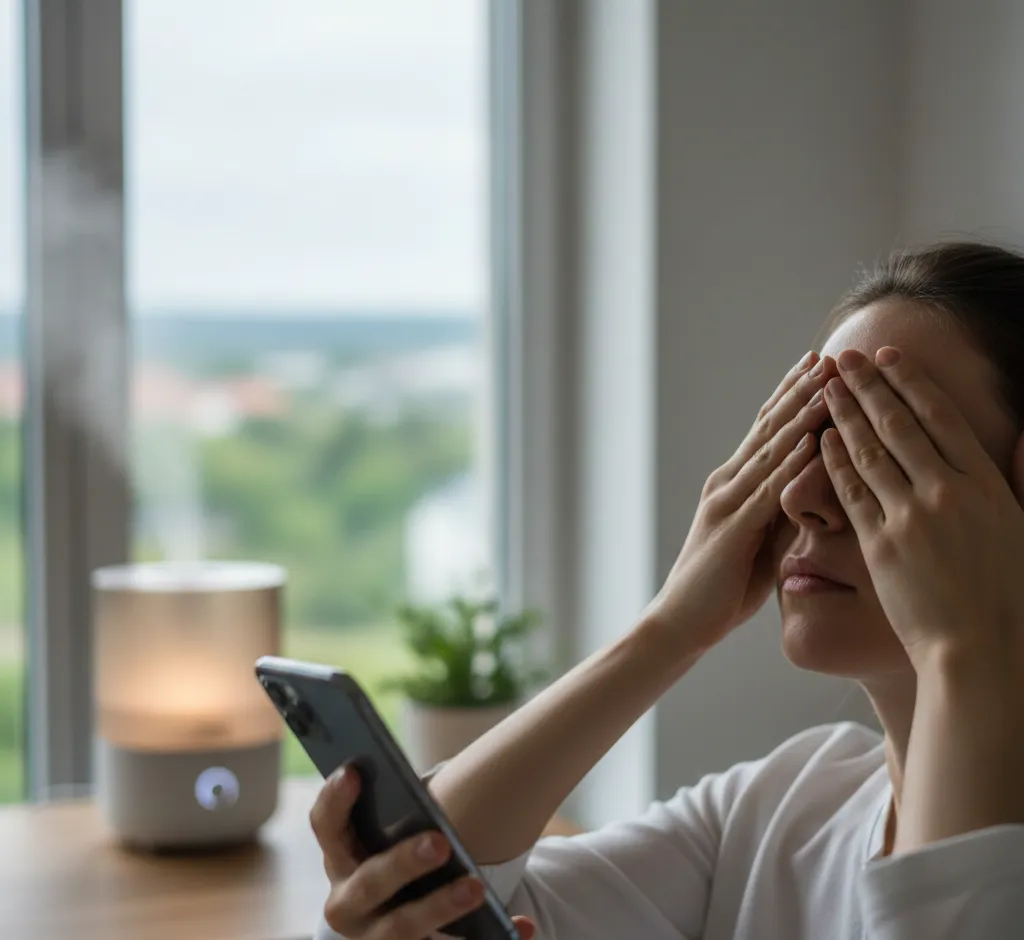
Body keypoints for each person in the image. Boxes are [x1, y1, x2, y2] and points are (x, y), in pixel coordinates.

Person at [311, 242, 1024, 939]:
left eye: (885, 450)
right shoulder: (789, 804)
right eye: (808, 440)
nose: (803, 497)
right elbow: (439, 890)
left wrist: (965, 644)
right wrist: (670, 626)